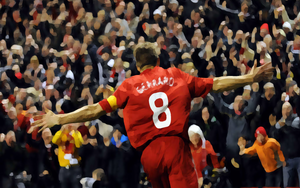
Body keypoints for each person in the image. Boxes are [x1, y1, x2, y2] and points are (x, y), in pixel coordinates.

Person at [32, 42, 273, 188]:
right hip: (175, 148)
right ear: (158, 60)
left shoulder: (128, 86)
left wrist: (60, 119)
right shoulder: (176, 76)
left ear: (137, 66)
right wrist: (249, 78)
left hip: (149, 155)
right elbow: (217, 83)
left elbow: (94, 109)